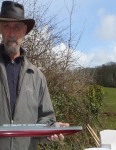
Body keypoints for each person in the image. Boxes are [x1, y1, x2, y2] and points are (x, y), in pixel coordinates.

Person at [0, 1, 69, 150]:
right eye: (6, 26)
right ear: (0, 29)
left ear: (24, 31)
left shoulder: (37, 77)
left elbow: (46, 119)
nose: (11, 33)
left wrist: (51, 128)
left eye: (17, 27)